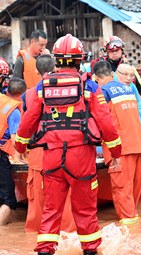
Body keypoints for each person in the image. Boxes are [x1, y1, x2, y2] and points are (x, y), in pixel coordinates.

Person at [15, 34, 122, 255]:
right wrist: (116, 151)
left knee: (51, 210)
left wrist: (20, 147)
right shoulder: (89, 86)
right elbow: (106, 123)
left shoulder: (42, 87)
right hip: (82, 158)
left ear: (56, 59)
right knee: (85, 210)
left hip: (52, 158)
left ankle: (45, 250)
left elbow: (27, 121)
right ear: (79, 59)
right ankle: (90, 250)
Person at [22, 54, 76, 233]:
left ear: (36, 71)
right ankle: (69, 242)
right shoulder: (73, 89)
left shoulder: (28, 95)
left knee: (37, 205)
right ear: (55, 68)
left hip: (38, 154)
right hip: (66, 152)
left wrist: (21, 148)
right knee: (66, 202)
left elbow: (26, 126)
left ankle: (34, 244)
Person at [94, 61, 141, 224]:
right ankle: (136, 230)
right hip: (139, 146)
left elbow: (101, 121)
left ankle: (129, 238)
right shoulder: (128, 89)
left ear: (96, 78)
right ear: (112, 75)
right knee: (132, 195)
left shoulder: (102, 92)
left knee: (123, 194)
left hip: (121, 150)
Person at [91, 36, 141, 116]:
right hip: (109, 107)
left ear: (122, 50)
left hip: (128, 106)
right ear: (107, 53)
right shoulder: (102, 67)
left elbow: (140, 85)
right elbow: (92, 85)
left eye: (117, 50)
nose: (114, 53)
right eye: (111, 51)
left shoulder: (129, 67)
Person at [0, 78, 26, 225]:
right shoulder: (13, 110)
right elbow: (16, 140)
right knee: (8, 200)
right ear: (21, 95)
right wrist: (20, 155)